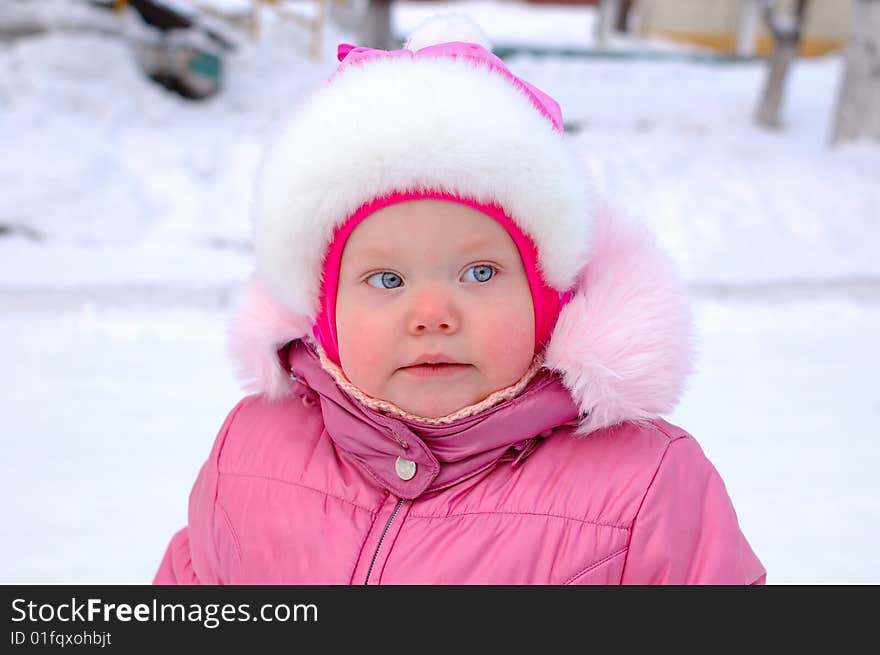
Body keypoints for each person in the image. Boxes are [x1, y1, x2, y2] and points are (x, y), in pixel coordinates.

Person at [154, 15, 765, 585]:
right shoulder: (251, 451)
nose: (432, 315)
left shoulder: (646, 487)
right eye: (387, 280)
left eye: (478, 272)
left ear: (547, 294)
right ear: (324, 308)